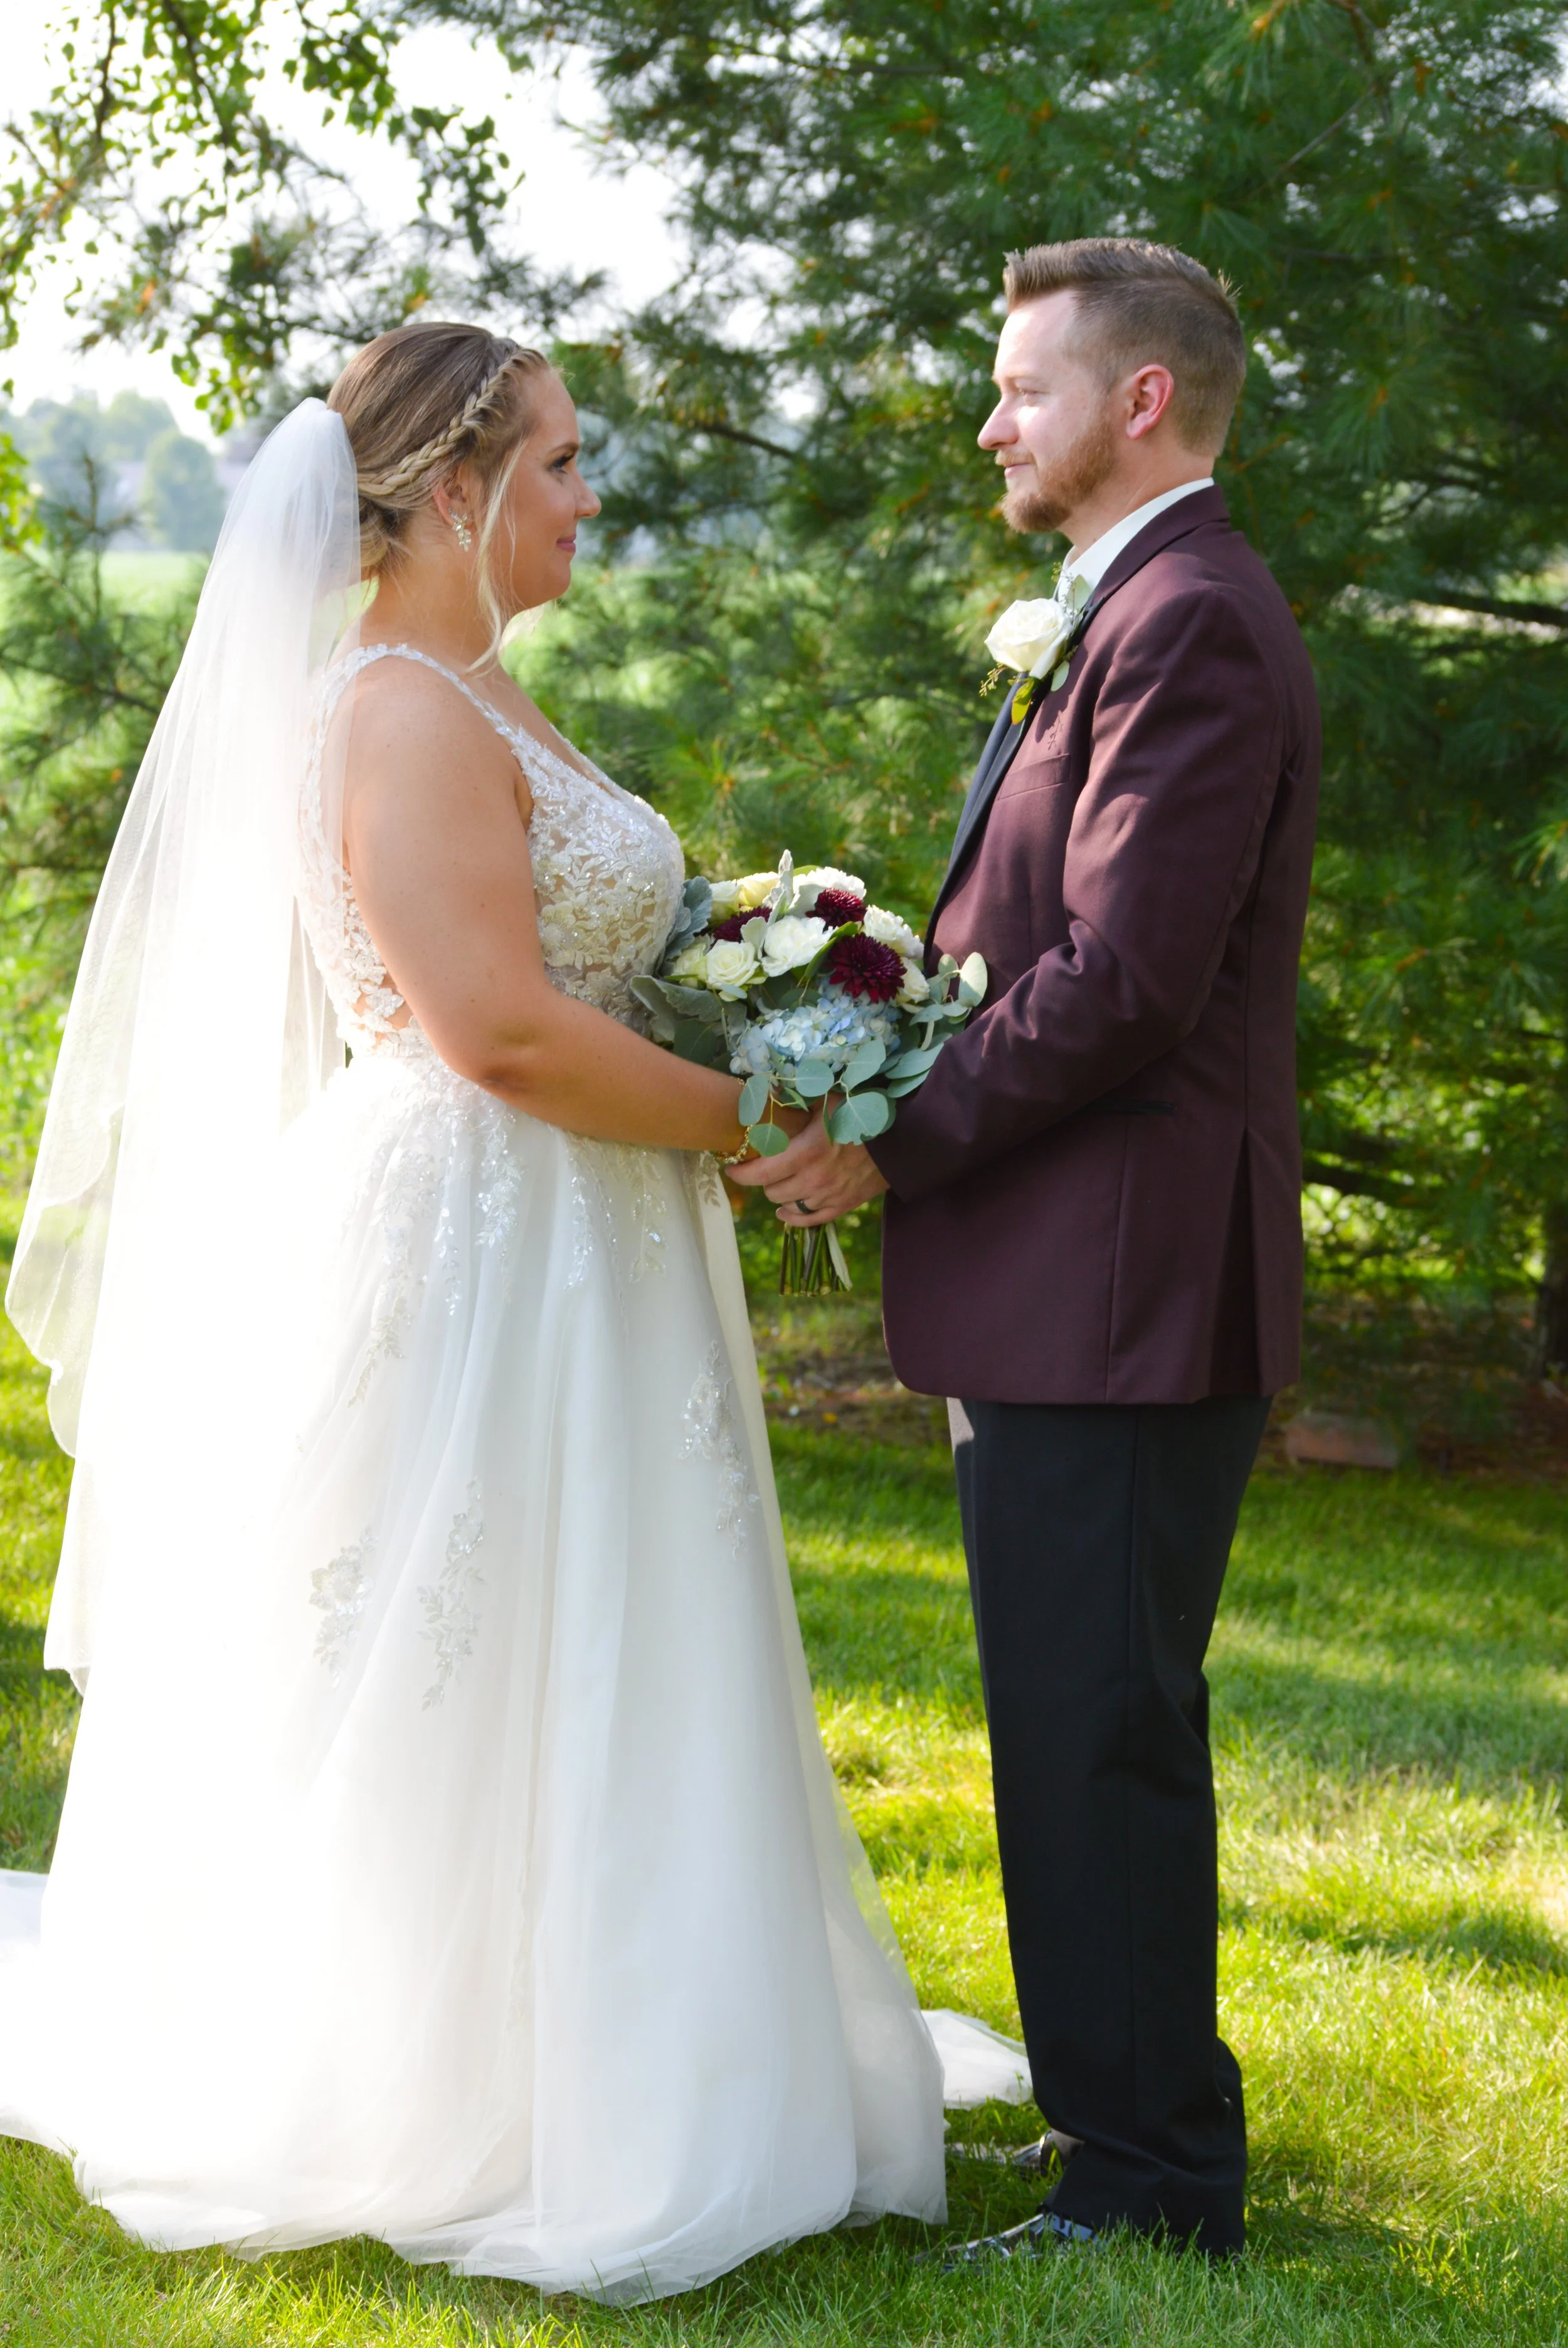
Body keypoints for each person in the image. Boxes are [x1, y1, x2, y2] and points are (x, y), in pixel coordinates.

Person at [0, 322, 949, 2298]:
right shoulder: (396, 714)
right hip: (479, 1227)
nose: (594, 496)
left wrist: (794, 989)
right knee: (449, 1631)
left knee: (594, 1625)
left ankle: (623, 2041)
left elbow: (585, 970)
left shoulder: (483, 696)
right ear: (456, 487)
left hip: (580, 1231)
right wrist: (755, 1124)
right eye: (568, 462)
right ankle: (432, 2075)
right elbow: (500, 1033)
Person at [733, 239, 1321, 2259]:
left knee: (1098, 1734)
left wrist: (892, 1141)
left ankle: (1154, 2180)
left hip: (1129, 1286)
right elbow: (1033, 946)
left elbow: (1128, 984)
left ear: (1138, 401)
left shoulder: (1193, 625)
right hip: (1075, 1278)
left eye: (1022, 390)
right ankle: (1114, 2131)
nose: (993, 423)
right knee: (1072, 1720)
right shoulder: (1129, 609)